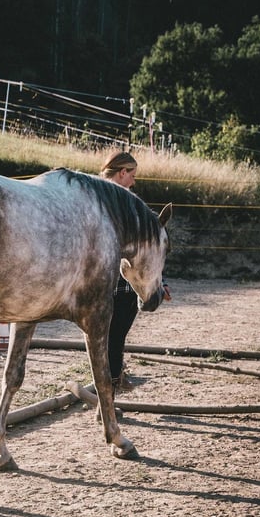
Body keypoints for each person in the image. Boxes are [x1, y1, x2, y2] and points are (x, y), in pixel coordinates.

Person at [100, 151, 171, 395]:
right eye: (133, 175)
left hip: (111, 282)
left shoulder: (99, 196)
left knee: (112, 337)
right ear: (122, 172)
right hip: (120, 284)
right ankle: (111, 386)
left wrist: (161, 283)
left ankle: (115, 378)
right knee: (114, 336)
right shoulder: (123, 202)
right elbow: (151, 246)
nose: (134, 181)